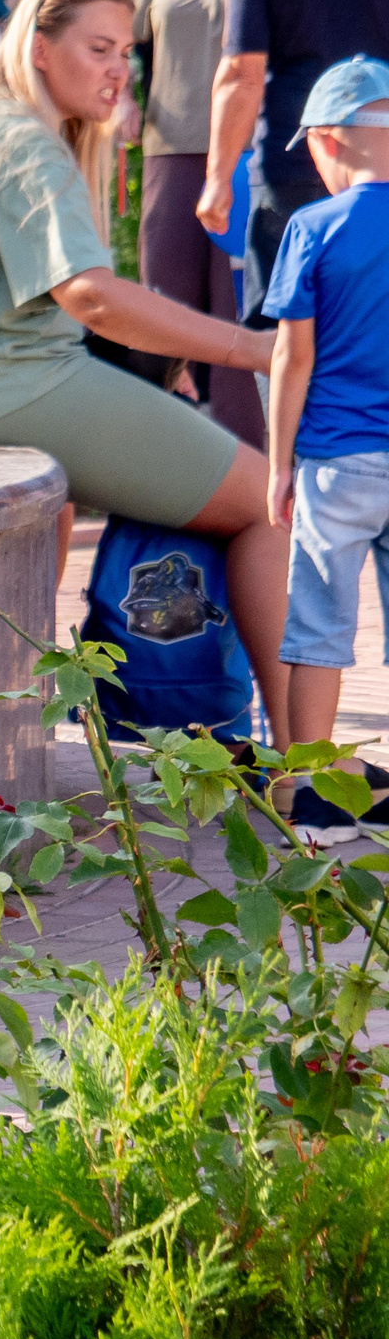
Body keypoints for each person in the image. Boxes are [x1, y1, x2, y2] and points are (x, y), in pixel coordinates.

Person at [0, 0, 288, 736]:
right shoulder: (18, 135)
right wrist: (256, 351)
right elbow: (90, 297)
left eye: (127, 51)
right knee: (271, 506)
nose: (118, 69)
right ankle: (305, 770)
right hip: (6, 387)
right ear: (38, 45)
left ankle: (21, 722)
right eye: (98, 47)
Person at [263, 56, 389, 841]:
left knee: (318, 626)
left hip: (338, 461)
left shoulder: (312, 227)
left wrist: (279, 463)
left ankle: (313, 797)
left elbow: (291, 358)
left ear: (329, 143)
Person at [200, 0, 389, 326]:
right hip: (383, 165)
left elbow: (240, 75)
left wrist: (218, 179)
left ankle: (285, 412)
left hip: (295, 165)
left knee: (282, 331)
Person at [113, 0, 266, 442]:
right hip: (170, 150)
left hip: (253, 151)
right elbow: (116, 40)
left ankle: (246, 449)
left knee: (240, 299)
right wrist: (120, 95)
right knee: (165, 294)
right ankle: (165, 438)